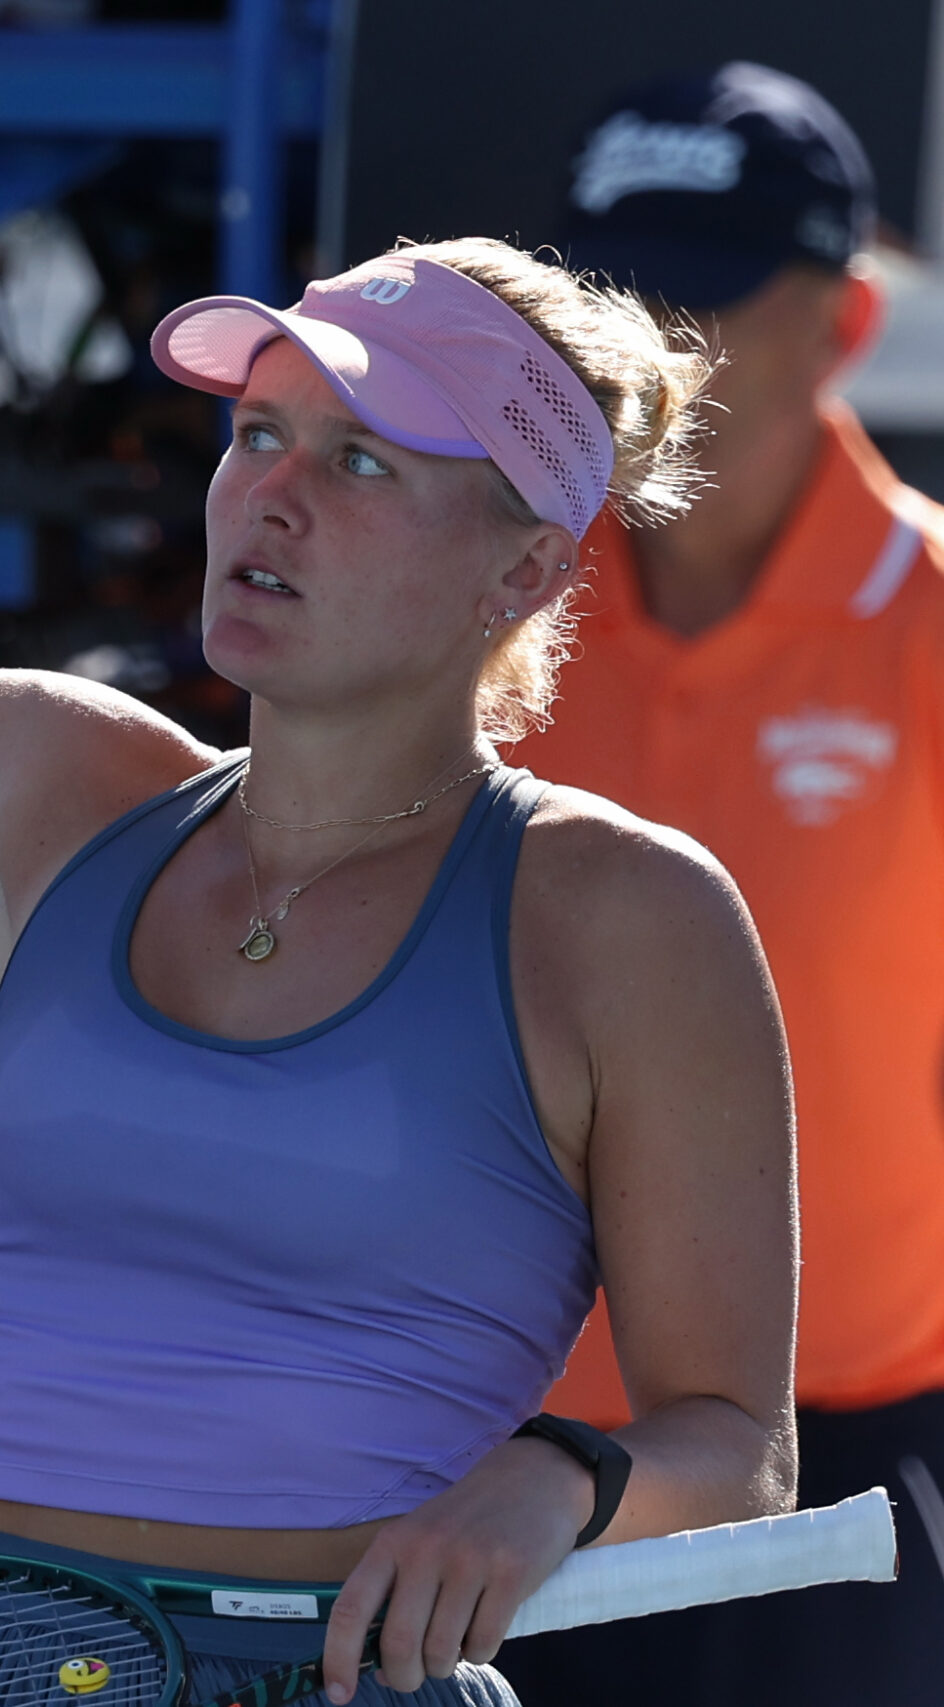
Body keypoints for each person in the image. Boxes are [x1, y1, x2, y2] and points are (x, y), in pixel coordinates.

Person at [0, 27, 797, 1705]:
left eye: (360, 461)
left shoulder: (629, 914)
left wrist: (558, 1477)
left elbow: (736, 1441)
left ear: (523, 575)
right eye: (256, 433)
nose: (271, 496)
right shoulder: (56, 794)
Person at [488, 62, 944, 1705]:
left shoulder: (934, 614)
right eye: (613, 308)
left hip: (864, 1449)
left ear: (844, 322)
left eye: (707, 306)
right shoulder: (480, 606)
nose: (651, 360)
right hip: (510, 1453)